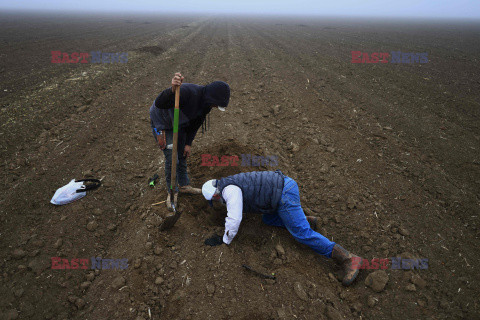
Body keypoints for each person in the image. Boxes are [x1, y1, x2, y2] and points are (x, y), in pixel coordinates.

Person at [201, 170, 362, 286]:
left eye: (214, 201)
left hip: (283, 193)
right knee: (268, 219)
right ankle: (303, 220)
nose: (216, 203)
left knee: (301, 234)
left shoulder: (230, 191)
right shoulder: (227, 183)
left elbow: (234, 219)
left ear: (215, 195)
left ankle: (348, 258)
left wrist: (225, 240)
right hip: (278, 191)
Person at [150, 73, 230, 209]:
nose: (215, 107)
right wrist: (172, 90)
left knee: (182, 154)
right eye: (216, 104)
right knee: (172, 158)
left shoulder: (206, 105)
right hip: (163, 123)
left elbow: (195, 124)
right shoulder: (187, 92)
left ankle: (184, 185)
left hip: (180, 124)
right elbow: (160, 102)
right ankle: (172, 191)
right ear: (212, 98)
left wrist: (188, 143)